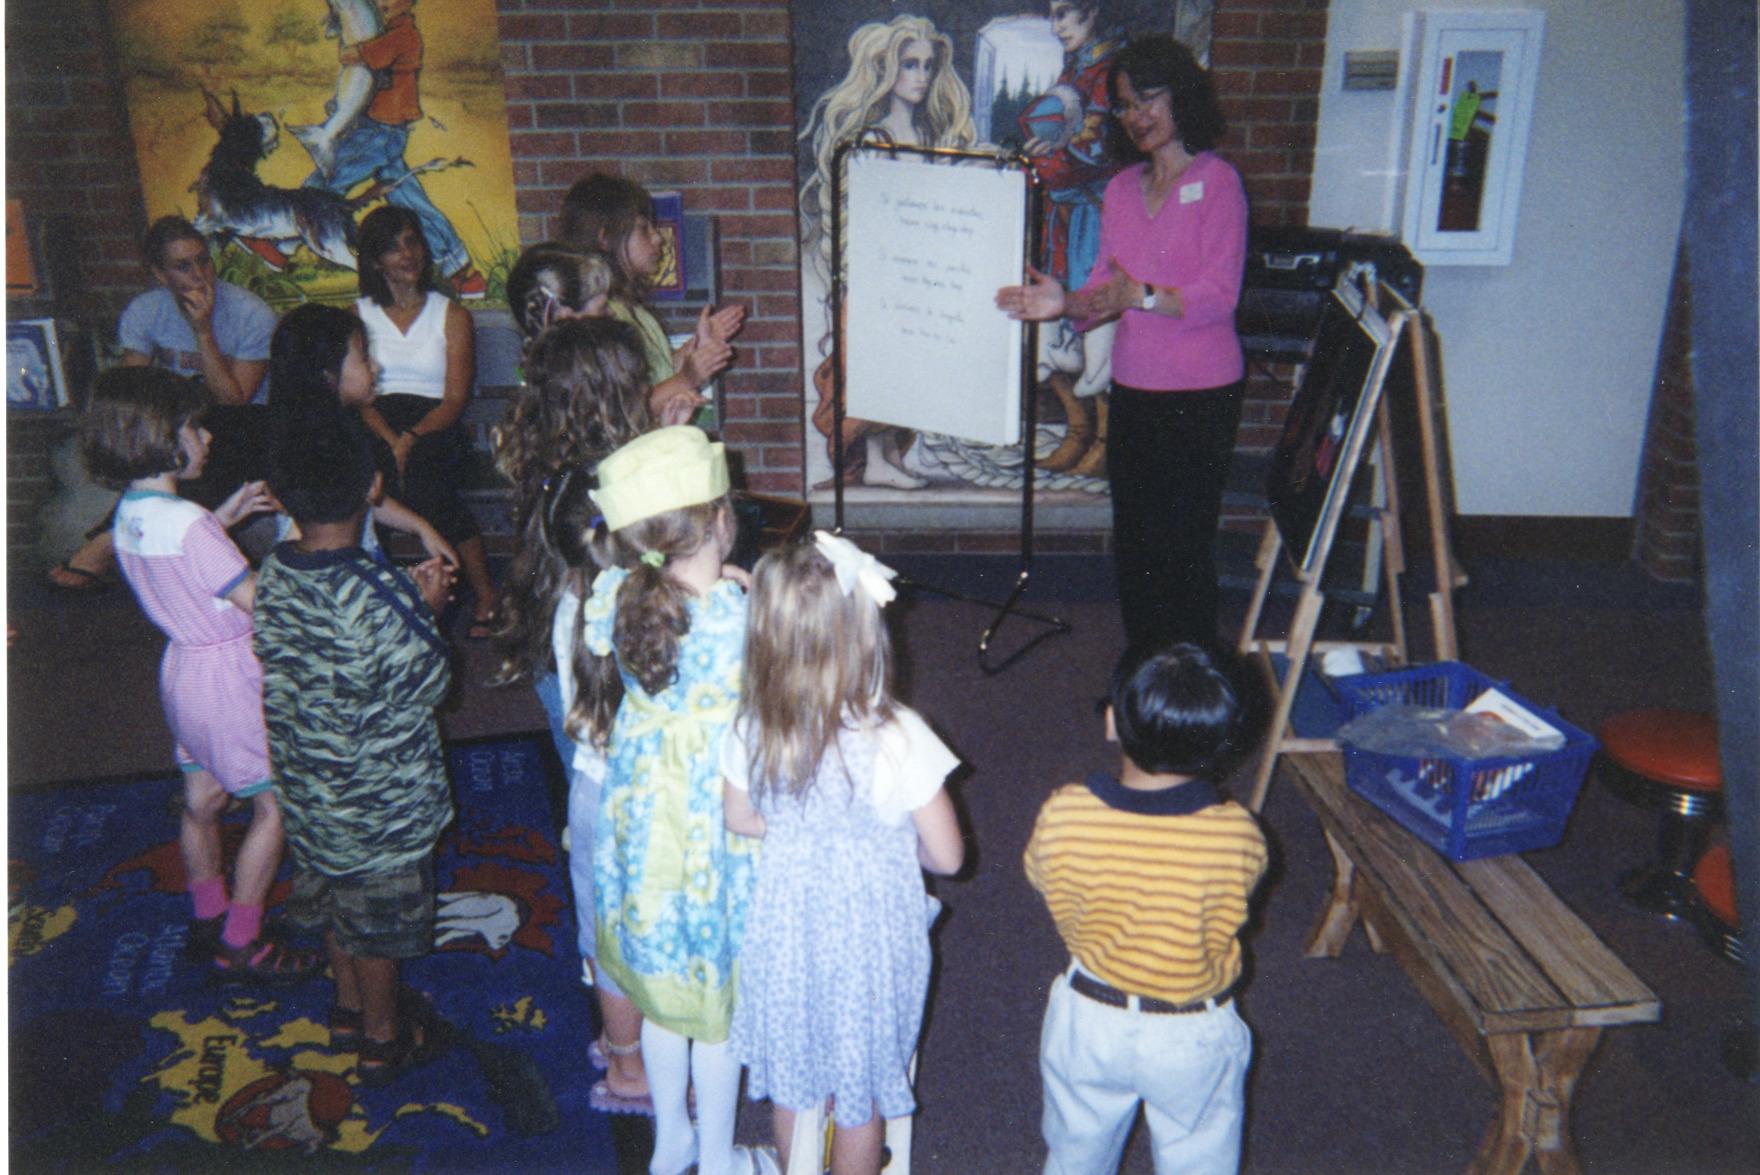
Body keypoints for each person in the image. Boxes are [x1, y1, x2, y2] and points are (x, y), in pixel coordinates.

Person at [724, 532, 965, 1175]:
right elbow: (947, 857)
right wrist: (877, 844)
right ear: (866, 635)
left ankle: (790, 1164)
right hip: (872, 940)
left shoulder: (752, 727)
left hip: (788, 931)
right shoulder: (900, 737)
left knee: (796, 1079)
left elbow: (740, 818)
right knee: (858, 1090)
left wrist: (805, 836)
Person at [997, 35, 1248, 651]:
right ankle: (1144, 673)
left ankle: (1189, 687)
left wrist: (1143, 296)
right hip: (1135, 387)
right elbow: (1105, 288)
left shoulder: (1218, 183)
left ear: (1181, 97)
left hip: (1202, 394)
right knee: (1136, 545)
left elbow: (1219, 295)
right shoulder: (1119, 190)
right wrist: (1065, 303)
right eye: (1127, 105)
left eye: (1150, 99)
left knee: (1183, 546)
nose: (1138, 116)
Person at [79, 366, 318, 984]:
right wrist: (296, 541)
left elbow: (180, 553)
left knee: (201, 798)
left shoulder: (131, 513)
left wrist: (225, 517)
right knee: (278, 803)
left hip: (182, 669)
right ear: (163, 435)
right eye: (193, 426)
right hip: (230, 674)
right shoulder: (190, 526)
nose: (206, 437)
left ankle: (210, 914)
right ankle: (242, 941)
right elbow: (261, 603)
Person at [254, 407, 458, 1087]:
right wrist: (426, 610)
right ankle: (382, 1038)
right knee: (375, 925)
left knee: (338, 898)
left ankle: (346, 1009)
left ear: (279, 495)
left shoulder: (276, 570)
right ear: (373, 484)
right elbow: (432, 682)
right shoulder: (383, 590)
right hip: (382, 806)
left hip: (309, 789)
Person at [577, 426, 761, 1175]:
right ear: (721, 522)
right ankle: (715, 1156)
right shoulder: (738, 618)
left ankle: (670, 1143)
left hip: (639, 811)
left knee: (660, 995)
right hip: (706, 827)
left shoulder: (618, 593)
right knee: (713, 1010)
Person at [488, 315, 657, 1113]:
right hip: (623, 726)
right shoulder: (620, 513)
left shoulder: (557, 478)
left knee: (596, 875)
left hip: (572, 690)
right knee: (632, 891)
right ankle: (632, 1065)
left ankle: (623, 1042)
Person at [1024, 643, 1267, 1174]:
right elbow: (1235, 901)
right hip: (1189, 1030)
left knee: (1074, 1155)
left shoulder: (1064, 811)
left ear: (1112, 722)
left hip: (1088, 1016)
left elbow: (1042, 878)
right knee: (1198, 1156)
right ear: (1224, 743)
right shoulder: (1236, 834)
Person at [797, 14, 976, 489]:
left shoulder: (932, 137)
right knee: (874, 370)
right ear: (884, 69)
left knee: (909, 372)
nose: (920, 76)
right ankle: (874, 458)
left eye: (927, 66)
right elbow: (868, 215)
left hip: (924, 274)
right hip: (879, 276)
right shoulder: (871, 139)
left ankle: (890, 455)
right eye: (909, 65)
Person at [51, 217, 276, 590]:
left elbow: (234, 399)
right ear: (159, 274)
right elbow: (129, 395)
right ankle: (118, 539)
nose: (199, 274)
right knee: (146, 436)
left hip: (245, 427)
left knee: (210, 429)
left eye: (203, 260)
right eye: (182, 266)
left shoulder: (250, 313)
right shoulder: (144, 311)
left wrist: (203, 333)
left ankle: (107, 541)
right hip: (181, 428)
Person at [353, 205, 499, 636]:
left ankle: (485, 593)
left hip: (434, 423)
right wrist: (389, 439)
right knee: (362, 482)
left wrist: (410, 438)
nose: (407, 254)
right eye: (394, 248)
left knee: (428, 485)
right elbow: (358, 397)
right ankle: (378, 595)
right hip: (377, 419)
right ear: (375, 260)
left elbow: (455, 398)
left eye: (412, 242)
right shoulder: (358, 315)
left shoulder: (451, 314)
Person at [299, 0, 489, 299]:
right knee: (410, 199)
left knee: (321, 185)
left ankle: (279, 242)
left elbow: (361, 56)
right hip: (377, 129)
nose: (381, 3)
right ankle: (460, 270)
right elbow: (363, 83)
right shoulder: (379, 31)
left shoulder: (404, 35)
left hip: (381, 133)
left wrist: (355, 50)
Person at [267, 302, 457, 567]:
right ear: (328, 375)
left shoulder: (342, 426)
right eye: (366, 357)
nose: (377, 367)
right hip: (333, 573)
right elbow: (304, 538)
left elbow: (362, 497)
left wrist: (421, 526)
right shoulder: (311, 448)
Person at [559, 174, 745, 428]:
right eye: (643, 229)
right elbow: (621, 410)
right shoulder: (600, 318)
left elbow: (658, 372)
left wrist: (697, 346)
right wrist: (687, 379)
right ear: (606, 239)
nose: (658, 238)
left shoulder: (628, 307)